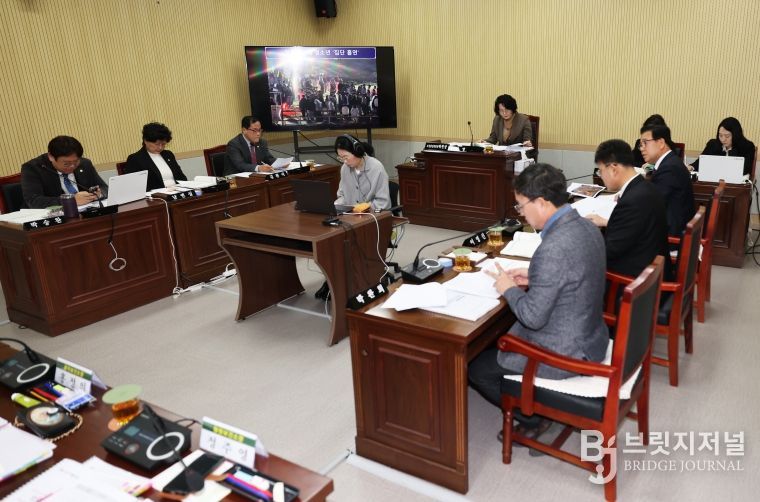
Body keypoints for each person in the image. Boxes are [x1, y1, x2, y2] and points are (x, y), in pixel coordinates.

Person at [468, 163, 608, 433]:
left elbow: (533, 318)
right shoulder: (587, 226)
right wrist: (535, 277)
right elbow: (577, 275)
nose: (520, 213)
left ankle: (534, 418)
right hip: (591, 335)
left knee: (477, 369)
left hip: (565, 350)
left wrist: (508, 287)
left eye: (521, 206)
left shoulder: (553, 248)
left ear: (542, 203)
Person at [587, 139, 672, 280]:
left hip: (636, 282)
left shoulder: (632, 201)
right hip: (650, 267)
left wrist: (583, 236)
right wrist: (608, 223)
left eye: (600, 171)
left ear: (613, 169)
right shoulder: (645, 187)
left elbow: (609, 251)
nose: (601, 176)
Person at [638, 124, 695, 237]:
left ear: (661, 143)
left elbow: (651, 205)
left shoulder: (669, 168)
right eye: (640, 144)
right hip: (672, 228)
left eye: (645, 143)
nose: (641, 148)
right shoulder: (670, 162)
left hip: (670, 237)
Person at [21, 136, 107, 209]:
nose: (72, 166)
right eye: (66, 163)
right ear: (51, 157)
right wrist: (70, 200)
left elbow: (105, 188)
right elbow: (34, 200)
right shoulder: (33, 168)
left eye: (76, 162)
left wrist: (99, 194)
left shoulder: (85, 163)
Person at [334, 134, 390, 211]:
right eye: (341, 158)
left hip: (372, 214)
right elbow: (342, 195)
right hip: (351, 215)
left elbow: (383, 202)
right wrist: (336, 205)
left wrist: (365, 207)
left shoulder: (376, 168)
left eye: (346, 157)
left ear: (357, 152)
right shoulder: (345, 168)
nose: (345, 162)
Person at [124, 122, 187, 191]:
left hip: (177, 192)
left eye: (163, 144)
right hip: (157, 196)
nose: (160, 147)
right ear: (145, 141)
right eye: (157, 144)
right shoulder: (135, 159)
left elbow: (182, 178)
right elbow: (135, 187)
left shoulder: (168, 155)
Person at [689, 117, 756, 177]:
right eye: (720, 135)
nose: (723, 140)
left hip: (735, 183)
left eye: (727, 136)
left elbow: (746, 169)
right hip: (713, 180)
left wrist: (731, 151)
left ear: (736, 135)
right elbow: (700, 162)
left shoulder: (747, 147)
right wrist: (691, 167)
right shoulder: (713, 144)